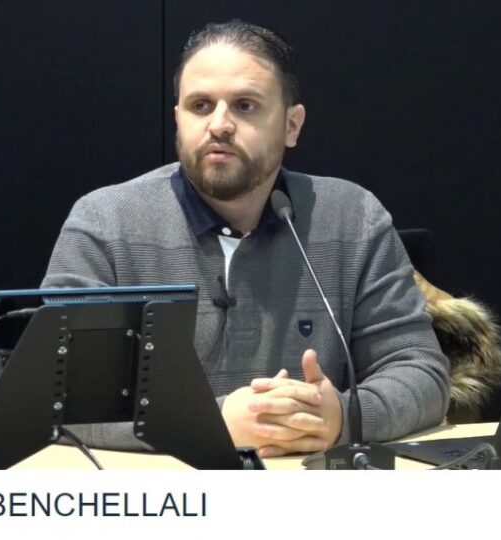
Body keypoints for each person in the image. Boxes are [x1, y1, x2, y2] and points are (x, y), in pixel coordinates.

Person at [42, 20, 450, 457]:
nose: (219, 125)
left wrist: (340, 418)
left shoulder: (353, 218)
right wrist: (209, 424)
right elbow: (51, 394)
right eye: (200, 106)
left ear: (292, 125)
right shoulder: (104, 223)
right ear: (178, 120)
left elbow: (422, 373)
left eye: (245, 106)